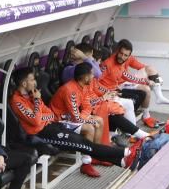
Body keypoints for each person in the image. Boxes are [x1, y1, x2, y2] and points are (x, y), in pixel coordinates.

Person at [10, 67, 140, 178]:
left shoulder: (33, 95)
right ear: (24, 83)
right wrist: (38, 104)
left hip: (53, 126)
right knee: (85, 145)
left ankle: (122, 162)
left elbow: (50, 114)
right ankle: (126, 153)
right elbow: (35, 120)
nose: (35, 82)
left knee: (86, 144)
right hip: (41, 134)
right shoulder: (17, 101)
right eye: (32, 79)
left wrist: (40, 115)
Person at [99, 38, 169, 127]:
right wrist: (106, 92)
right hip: (110, 91)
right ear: (117, 51)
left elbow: (128, 75)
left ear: (129, 55)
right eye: (121, 54)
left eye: (125, 55)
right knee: (143, 92)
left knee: (147, 79)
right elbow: (96, 82)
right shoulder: (108, 64)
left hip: (116, 88)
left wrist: (151, 80)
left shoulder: (122, 62)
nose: (122, 57)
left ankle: (159, 97)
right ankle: (132, 125)